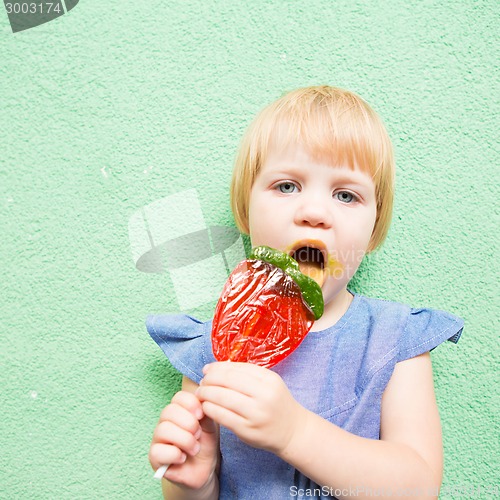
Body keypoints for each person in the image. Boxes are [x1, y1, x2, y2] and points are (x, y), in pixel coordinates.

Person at [146, 85, 464, 499]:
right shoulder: (217, 345)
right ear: (245, 209)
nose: (314, 213)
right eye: (287, 186)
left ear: (373, 229)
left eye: (345, 195)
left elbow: (417, 490)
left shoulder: (394, 340)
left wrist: (294, 433)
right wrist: (194, 481)